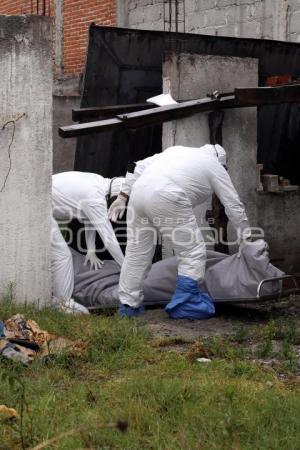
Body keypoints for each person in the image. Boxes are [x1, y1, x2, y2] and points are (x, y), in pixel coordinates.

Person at [108, 144, 251, 318]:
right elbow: (234, 205)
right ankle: (185, 302)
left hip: (138, 193)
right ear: (221, 162)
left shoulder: (175, 152)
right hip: (167, 193)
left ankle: (128, 306)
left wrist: (123, 196)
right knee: (192, 251)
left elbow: (136, 167)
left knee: (136, 253)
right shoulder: (214, 165)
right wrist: (246, 239)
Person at [52, 171, 125, 314]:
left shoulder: (99, 182)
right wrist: (126, 267)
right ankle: (62, 305)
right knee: (62, 256)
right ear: (114, 197)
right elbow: (108, 238)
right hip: (38, 206)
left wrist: (91, 250)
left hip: (39, 202)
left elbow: (89, 219)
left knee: (59, 254)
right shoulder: (95, 199)